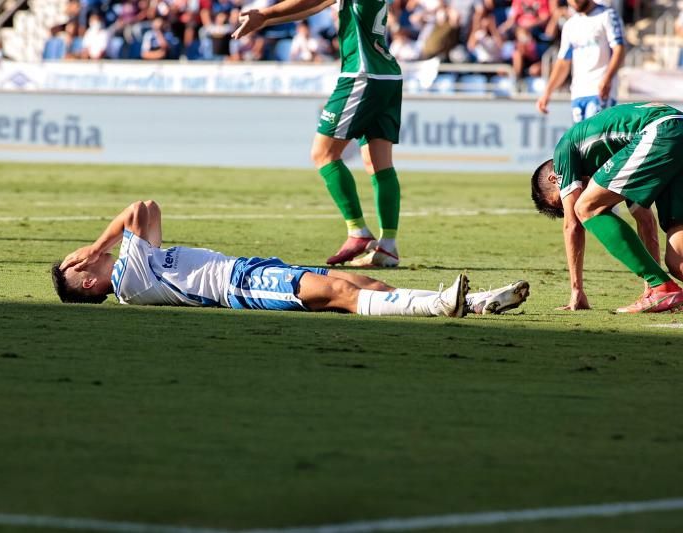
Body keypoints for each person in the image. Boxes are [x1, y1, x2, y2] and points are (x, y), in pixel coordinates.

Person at [52, 200, 530, 317]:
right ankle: (438, 306)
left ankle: (474, 301)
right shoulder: (129, 284)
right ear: (89, 282)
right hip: (239, 286)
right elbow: (136, 209)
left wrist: (96, 249)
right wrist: (96, 248)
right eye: (76, 263)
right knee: (343, 294)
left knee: (366, 285)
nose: (82, 255)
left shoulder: (139, 263)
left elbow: (149, 209)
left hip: (249, 268)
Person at [232, 0, 405, 268]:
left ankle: (357, 231)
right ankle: (388, 247)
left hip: (361, 74)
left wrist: (264, 15)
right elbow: (317, 6)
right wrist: (266, 20)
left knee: (323, 153)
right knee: (377, 161)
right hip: (387, 75)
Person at [530, 102, 683, 313]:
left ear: (554, 178)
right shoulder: (621, 159)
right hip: (674, 128)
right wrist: (651, 287)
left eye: (561, 199)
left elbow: (572, 225)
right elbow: (645, 221)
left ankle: (661, 287)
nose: (569, 200)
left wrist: (576, 289)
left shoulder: (564, 149)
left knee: (585, 207)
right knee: (677, 262)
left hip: (659, 130)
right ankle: (659, 289)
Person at [535, 0, 625, 123]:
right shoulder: (570, 25)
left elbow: (619, 49)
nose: (575, 3)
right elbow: (563, 62)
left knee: (594, 138)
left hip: (600, 90)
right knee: (581, 141)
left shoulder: (607, 15)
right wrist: (547, 93)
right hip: (578, 92)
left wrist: (607, 78)